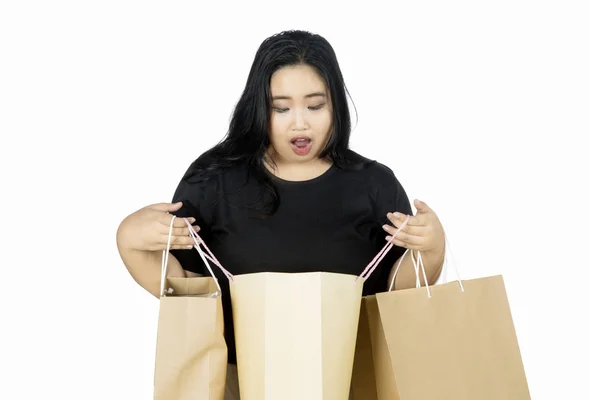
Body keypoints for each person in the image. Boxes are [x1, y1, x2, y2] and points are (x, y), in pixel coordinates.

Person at [116, 29, 447, 399]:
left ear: (335, 104)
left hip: (348, 382)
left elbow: (398, 296)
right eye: (281, 107)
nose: (299, 123)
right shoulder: (214, 181)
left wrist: (431, 248)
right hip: (237, 384)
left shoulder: (373, 185)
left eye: (315, 105)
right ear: (258, 106)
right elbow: (184, 290)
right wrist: (129, 241)